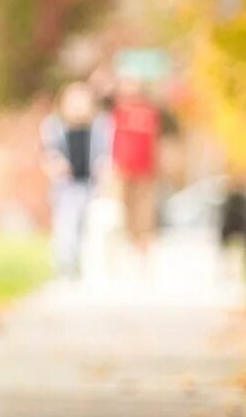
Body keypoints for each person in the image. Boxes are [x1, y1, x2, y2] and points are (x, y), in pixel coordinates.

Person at [39, 81, 112, 279]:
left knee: (90, 227)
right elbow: (48, 153)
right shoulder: (53, 126)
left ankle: (88, 265)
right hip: (67, 186)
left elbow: (106, 153)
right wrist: (56, 164)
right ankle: (66, 264)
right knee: (66, 224)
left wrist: (104, 169)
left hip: (92, 185)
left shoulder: (101, 126)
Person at [111, 75, 162, 261]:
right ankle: (125, 247)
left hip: (145, 171)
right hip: (122, 170)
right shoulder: (118, 111)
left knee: (144, 213)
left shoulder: (149, 112)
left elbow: (155, 141)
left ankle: (143, 251)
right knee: (121, 210)